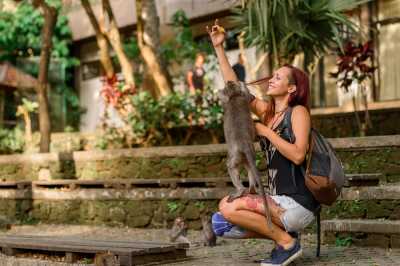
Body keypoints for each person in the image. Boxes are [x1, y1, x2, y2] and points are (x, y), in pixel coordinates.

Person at [207, 20, 320, 266]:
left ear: (291, 88)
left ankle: (287, 243)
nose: (271, 79)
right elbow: (233, 87)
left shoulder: (298, 112)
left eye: (277, 77)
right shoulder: (268, 114)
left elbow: (299, 155)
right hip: (279, 200)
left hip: (298, 203)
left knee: (228, 208)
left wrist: (266, 133)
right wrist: (218, 48)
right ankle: (286, 235)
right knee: (220, 222)